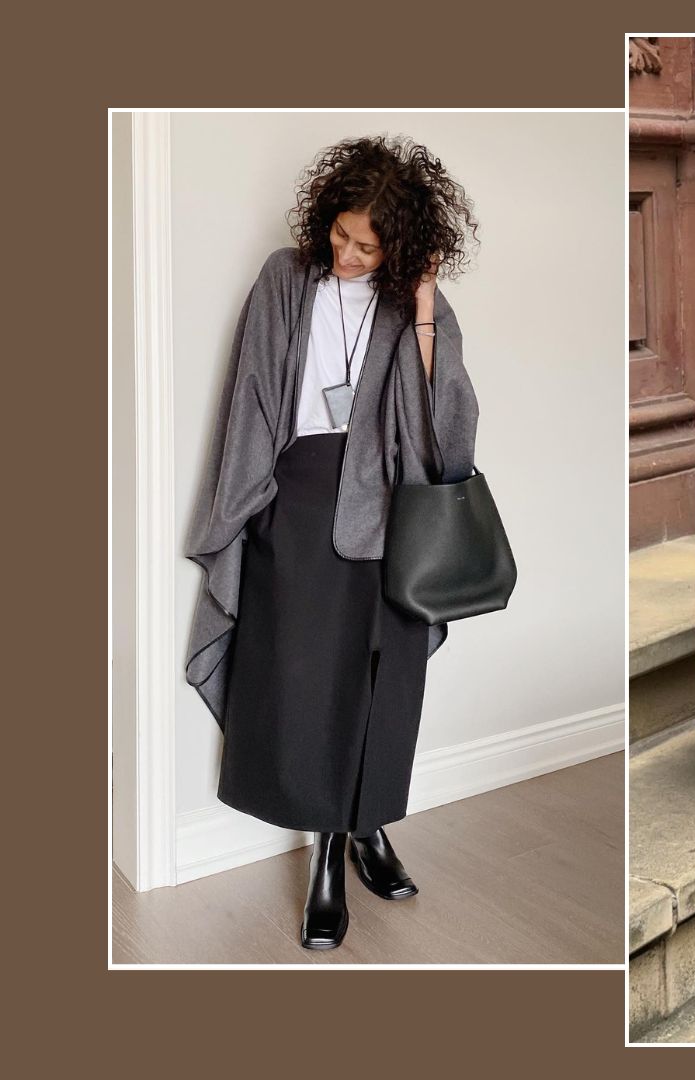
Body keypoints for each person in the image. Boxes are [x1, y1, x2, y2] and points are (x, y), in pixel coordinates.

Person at [184, 135, 481, 950]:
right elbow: (250, 395)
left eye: (369, 245)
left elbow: (447, 437)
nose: (348, 255)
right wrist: (244, 509)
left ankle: (370, 827)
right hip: (300, 502)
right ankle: (325, 855)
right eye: (340, 236)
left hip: (391, 518)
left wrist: (421, 310)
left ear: (403, 249)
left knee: (389, 680)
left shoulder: (412, 306)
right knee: (308, 682)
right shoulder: (286, 278)